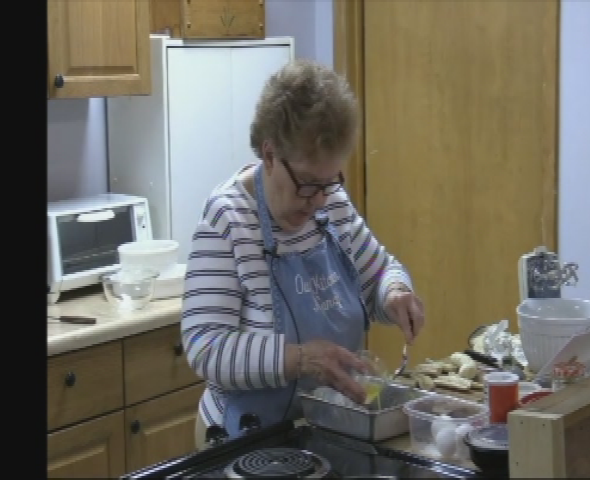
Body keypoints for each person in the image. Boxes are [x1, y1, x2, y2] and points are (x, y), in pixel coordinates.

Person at [181, 59, 426, 448]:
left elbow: (378, 272)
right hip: (247, 441)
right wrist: (300, 359)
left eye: (330, 182)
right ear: (270, 154)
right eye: (308, 184)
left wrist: (395, 292)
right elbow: (205, 346)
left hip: (321, 430)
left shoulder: (331, 203)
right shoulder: (228, 218)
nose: (318, 201)